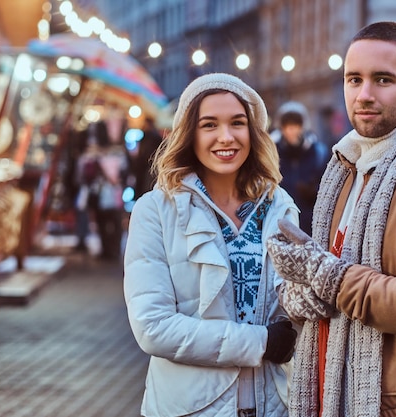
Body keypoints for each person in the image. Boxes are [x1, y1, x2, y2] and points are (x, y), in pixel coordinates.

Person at [266, 21, 396, 417]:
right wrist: (300, 292)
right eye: (354, 80)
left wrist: (324, 274)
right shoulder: (349, 165)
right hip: (331, 390)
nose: (364, 95)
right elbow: (334, 275)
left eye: (383, 80)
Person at [123, 73, 299, 417]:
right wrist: (261, 343)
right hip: (191, 408)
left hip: (274, 406)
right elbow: (153, 327)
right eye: (209, 125)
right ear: (189, 134)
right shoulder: (156, 211)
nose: (226, 137)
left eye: (237, 123)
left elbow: (293, 314)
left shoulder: (279, 207)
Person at [270, 101, 329, 235]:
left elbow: (329, 187)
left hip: (311, 226)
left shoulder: (318, 153)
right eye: (287, 125)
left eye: (295, 125)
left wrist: (314, 191)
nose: (291, 130)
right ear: (281, 128)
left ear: (303, 126)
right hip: (279, 224)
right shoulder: (271, 153)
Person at [133, 116, 163, 199]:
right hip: (152, 167)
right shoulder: (156, 136)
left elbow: (143, 153)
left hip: (147, 167)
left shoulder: (148, 136)